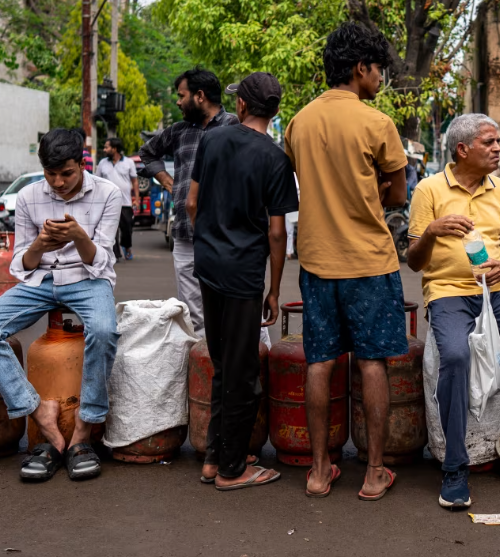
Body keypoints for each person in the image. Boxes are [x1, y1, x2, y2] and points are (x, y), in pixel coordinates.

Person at [285, 21, 408, 501]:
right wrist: (372, 186)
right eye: (377, 70)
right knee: (372, 363)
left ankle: (319, 471)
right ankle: (374, 472)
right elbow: (397, 194)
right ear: (361, 68)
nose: (379, 79)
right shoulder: (376, 122)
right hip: (370, 262)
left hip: (317, 260)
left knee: (319, 362)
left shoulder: (299, 121)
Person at [407, 113, 500, 509]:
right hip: (448, 292)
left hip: (497, 289)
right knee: (454, 356)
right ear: (462, 149)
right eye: (489, 142)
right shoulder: (429, 189)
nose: (498, 148)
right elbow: (414, 260)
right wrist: (433, 231)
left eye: (497, 142)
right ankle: (455, 465)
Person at [188, 72, 297, 491]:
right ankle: (233, 468)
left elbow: (193, 202)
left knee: (223, 366)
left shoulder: (212, 140)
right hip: (244, 274)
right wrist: (274, 288)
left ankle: (216, 458)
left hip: (209, 267)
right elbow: (276, 233)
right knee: (243, 372)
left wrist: (209, 240)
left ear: (242, 106)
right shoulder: (275, 159)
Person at [0, 129, 120, 481]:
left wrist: (80, 236)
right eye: (51, 174)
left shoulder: (108, 194)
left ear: (81, 163)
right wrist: (40, 244)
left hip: (86, 279)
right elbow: (22, 265)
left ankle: (85, 428)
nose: (58, 182)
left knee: (104, 329)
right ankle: (39, 413)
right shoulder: (28, 196)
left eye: (66, 173)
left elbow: (100, 264)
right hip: (41, 282)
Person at [140, 68, 240, 337]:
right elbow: (148, 153)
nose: (177, 101)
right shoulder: (178, 131)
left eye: (181, 95)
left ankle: (241, 364)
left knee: (235, 303)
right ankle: (204, 369)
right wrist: (169, 183)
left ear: (199, 96)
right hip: (185, 234)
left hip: (225, 233)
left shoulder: (235, 126)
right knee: (194, 311)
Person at [95, 137, 138, 261]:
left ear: (115, 149)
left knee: (127, 229)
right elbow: (97, 181)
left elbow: (135, 182)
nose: (104, 149)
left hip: (125, 202)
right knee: (111, 230)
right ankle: (115, 255)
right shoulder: (103, 163)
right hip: (107, 202)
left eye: (107, 147)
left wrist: (136, 199)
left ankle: (127, 246)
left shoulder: (129, 162)